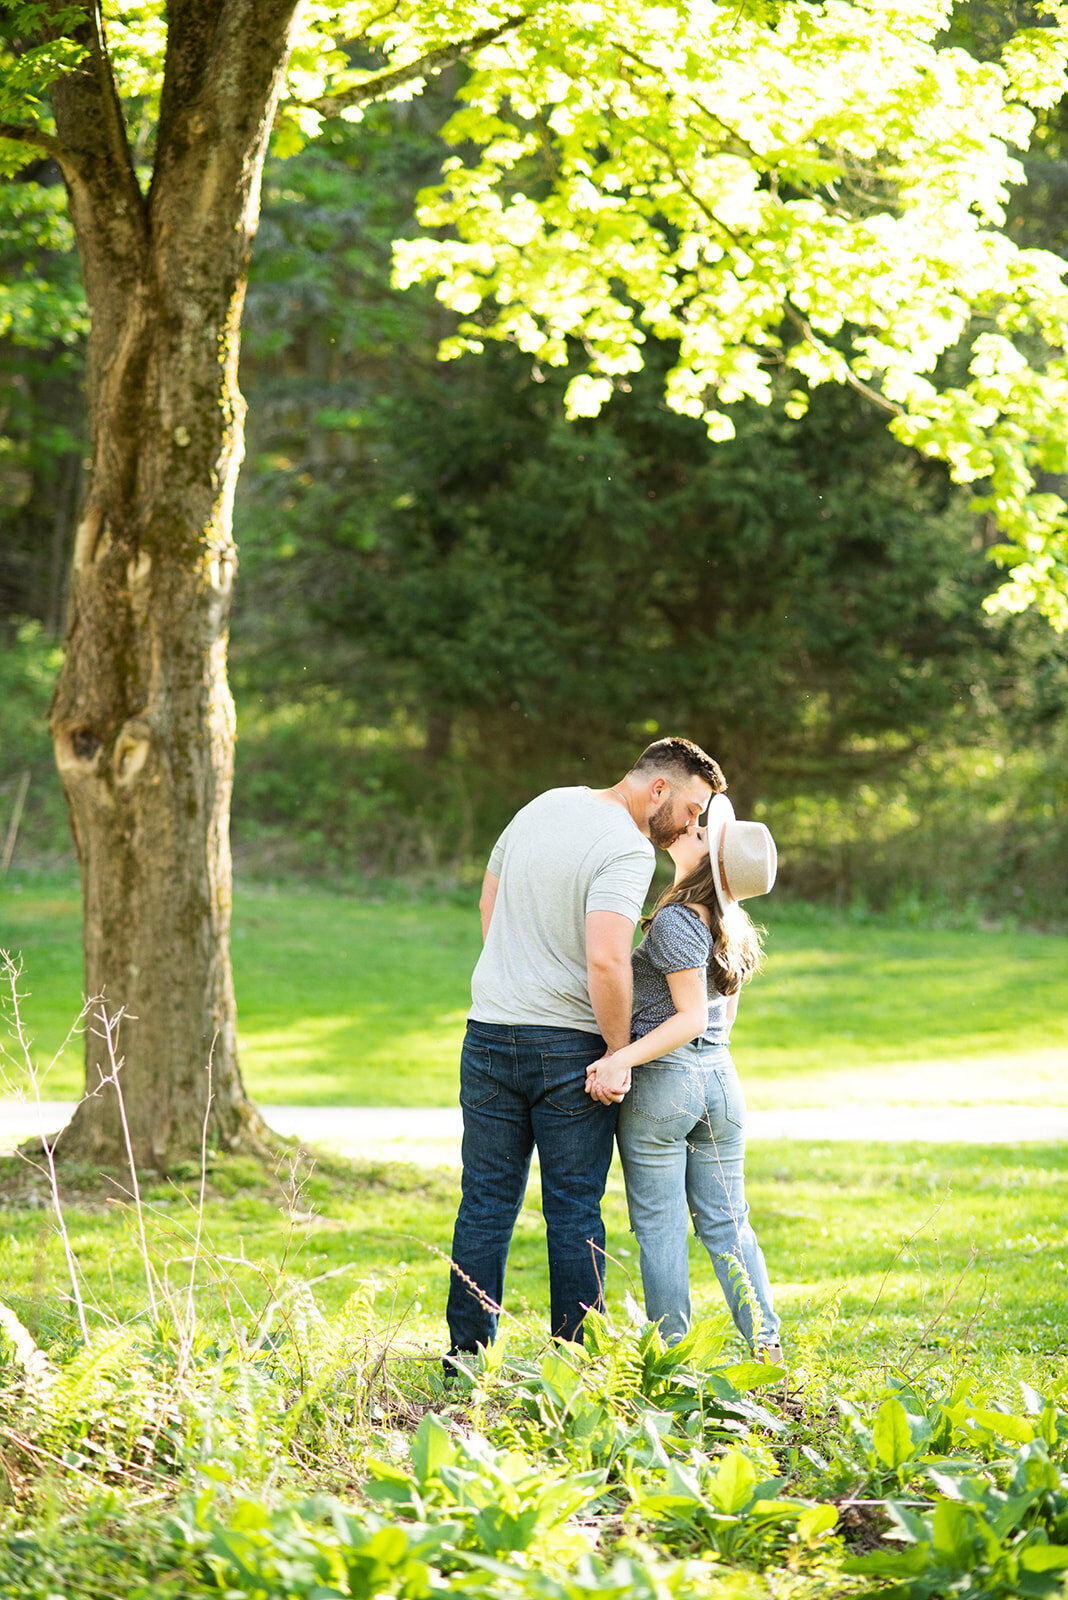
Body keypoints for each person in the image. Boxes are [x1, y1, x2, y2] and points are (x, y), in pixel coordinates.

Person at [445, 738, 726, 1367]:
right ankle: (574, 1366)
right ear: (659, 789)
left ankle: (465, 1361)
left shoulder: (542, 805)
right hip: (568, 1048)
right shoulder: (627, 849)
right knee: (573, 1209)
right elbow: (605, 958)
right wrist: (618, 1051)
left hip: (489, 1029)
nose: (693, 825)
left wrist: (521, 974)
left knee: (485, 1201)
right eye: (693, 808)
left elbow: (488, 906)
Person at [586, 794, 782, 1361]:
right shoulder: (734, 926)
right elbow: (722, 1020)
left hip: (666, 1084)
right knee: (728, 1224)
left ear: (708, 865)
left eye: (701, 835)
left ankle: (671, 1357)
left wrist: (622, 1058)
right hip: (722, 1080)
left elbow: (690, 1016)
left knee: (662, 1228)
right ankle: (766, 1348)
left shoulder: (675, 920)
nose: (690, 827)